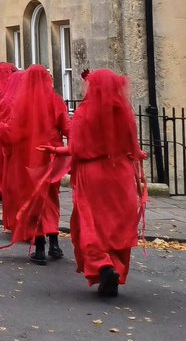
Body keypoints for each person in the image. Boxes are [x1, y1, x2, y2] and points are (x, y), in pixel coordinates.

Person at [41, 69, 147, 297]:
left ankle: (103, 265)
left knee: (91, 221)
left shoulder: (84, 113)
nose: (84, 88)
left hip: (93, 173)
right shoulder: (124, 113)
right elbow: (133, 147)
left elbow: (77, 149)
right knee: (117, 223)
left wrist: (56, 150)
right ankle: (115, 268)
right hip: (121, 174)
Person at [0, 66, 69, 264]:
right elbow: (67, 128)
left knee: (34, 200)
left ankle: (39, 248)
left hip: (29, 159)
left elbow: (11, 133)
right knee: (51, 199)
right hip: (52, 156)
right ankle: (54, 243)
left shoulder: (23, 102)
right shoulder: (56, 100)